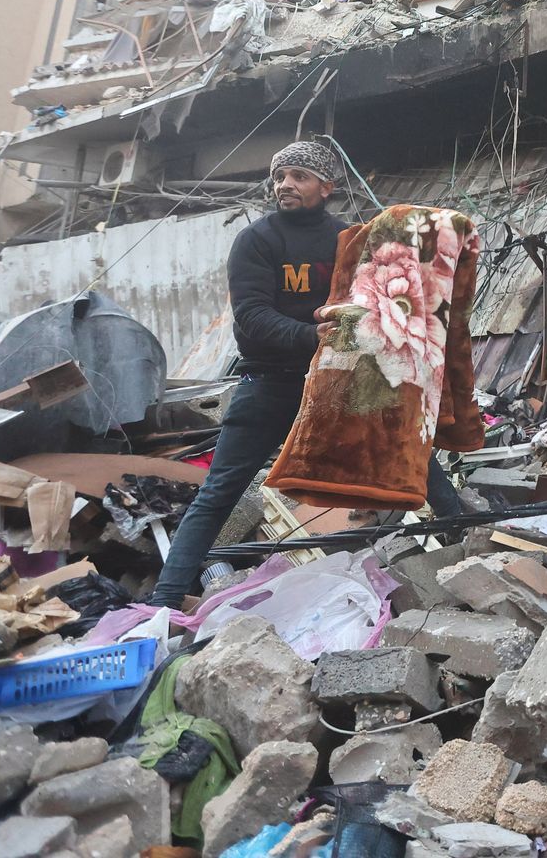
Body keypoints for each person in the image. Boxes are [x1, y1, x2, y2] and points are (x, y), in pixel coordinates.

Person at [145, 141, 461, 607]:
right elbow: (251, 317)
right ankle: (164, 601)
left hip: (339, 376)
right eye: (280, 177)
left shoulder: (353, 242)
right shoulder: (257, 241)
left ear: (326, 186)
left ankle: (465, 543)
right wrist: (311, 335)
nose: (285, 185)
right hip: (271, 380)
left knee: (411, 448)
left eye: (299, 176)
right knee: (221, 489)